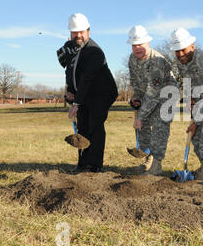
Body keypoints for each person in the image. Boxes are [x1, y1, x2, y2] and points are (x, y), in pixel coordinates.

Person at [57, 13, 118, 172]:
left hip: (102, 93)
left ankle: (94, 165)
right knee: (82, 126)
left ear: (88, 31)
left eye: (81, 32)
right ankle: (83, 163)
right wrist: (70, 90)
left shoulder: (94, 51)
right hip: (85, 93)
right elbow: (69, 71)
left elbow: (87, 78)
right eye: (74, 32)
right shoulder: (71, 48)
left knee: (94, 125)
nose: (78, 35)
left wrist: (76, 103)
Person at [170, 28, 203, 183]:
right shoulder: (181, 62)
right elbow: (187, 82)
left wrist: (196, 121)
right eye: (177, 51)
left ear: (192, 46)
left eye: (183, 50)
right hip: (199, 99)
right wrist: (189, 98)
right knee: (194, 136)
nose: (180, 54)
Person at [127, 25, 177, 175]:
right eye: (134, 45)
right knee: (142, 128)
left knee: (159, 128)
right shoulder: (132, 59)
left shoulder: (157, 61)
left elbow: (154, 93)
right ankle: (148, 160)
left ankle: (156, 165)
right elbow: (136, 82)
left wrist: (141, 116)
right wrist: (136, 97)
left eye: (140, 45)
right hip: (148, 95)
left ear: (148, 43)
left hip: (166, 95)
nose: (137, 48)